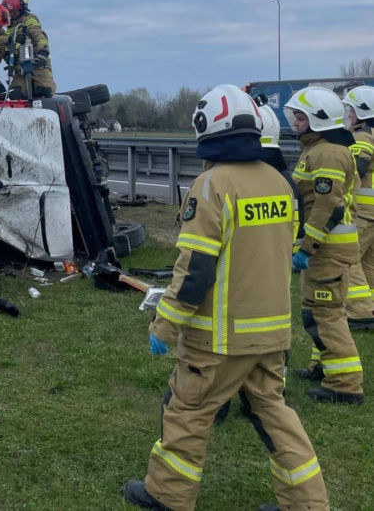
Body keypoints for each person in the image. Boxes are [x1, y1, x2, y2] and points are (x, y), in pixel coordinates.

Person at [124, 84, 329, 511]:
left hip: (216, 339)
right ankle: (307, 503)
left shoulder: (210, 185)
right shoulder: (279, 182)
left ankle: (168, 494)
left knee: (187, 414)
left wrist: (165, 323)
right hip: (272, 335)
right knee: (275, 417)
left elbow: (195, 270)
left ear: (206, 130)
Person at [285, 87, 364, 403]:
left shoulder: (327, 152)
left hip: (327, 249)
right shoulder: (318, 148)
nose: (295, 123)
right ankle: (324, 367)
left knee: (324, 314)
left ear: (318, 119)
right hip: (327, 248)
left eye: (301, 118)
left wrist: (307, 248)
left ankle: (345, 384)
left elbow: (326, 205)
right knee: (320, 311)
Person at [342, 86, 374, 331]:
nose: (348, 114)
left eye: (350, 109)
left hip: (363, 211)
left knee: (350, 260)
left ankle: (361, 313)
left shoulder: (362, 137)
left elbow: (357, 168)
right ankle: (370, 306)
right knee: (368, 265)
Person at [1, 0, 56, 100]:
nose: (11, 16)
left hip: (38, 65)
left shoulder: (29, 19)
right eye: (9, 13)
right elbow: (5, 46)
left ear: (20, 9)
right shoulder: (8, 28)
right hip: (19, 69)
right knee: (15, 96)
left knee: (44, 91)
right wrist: (7, 56)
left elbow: (39, 35)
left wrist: (43, 53)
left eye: (14, 12)